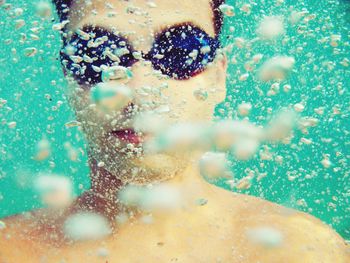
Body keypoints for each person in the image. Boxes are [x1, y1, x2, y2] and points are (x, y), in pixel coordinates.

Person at [0, 0, 349, 262]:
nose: (136, 90)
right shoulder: (10, 248)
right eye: (99, 54)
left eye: (181, 51)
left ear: (218, 75)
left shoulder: (303, 250)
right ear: (68, 78)